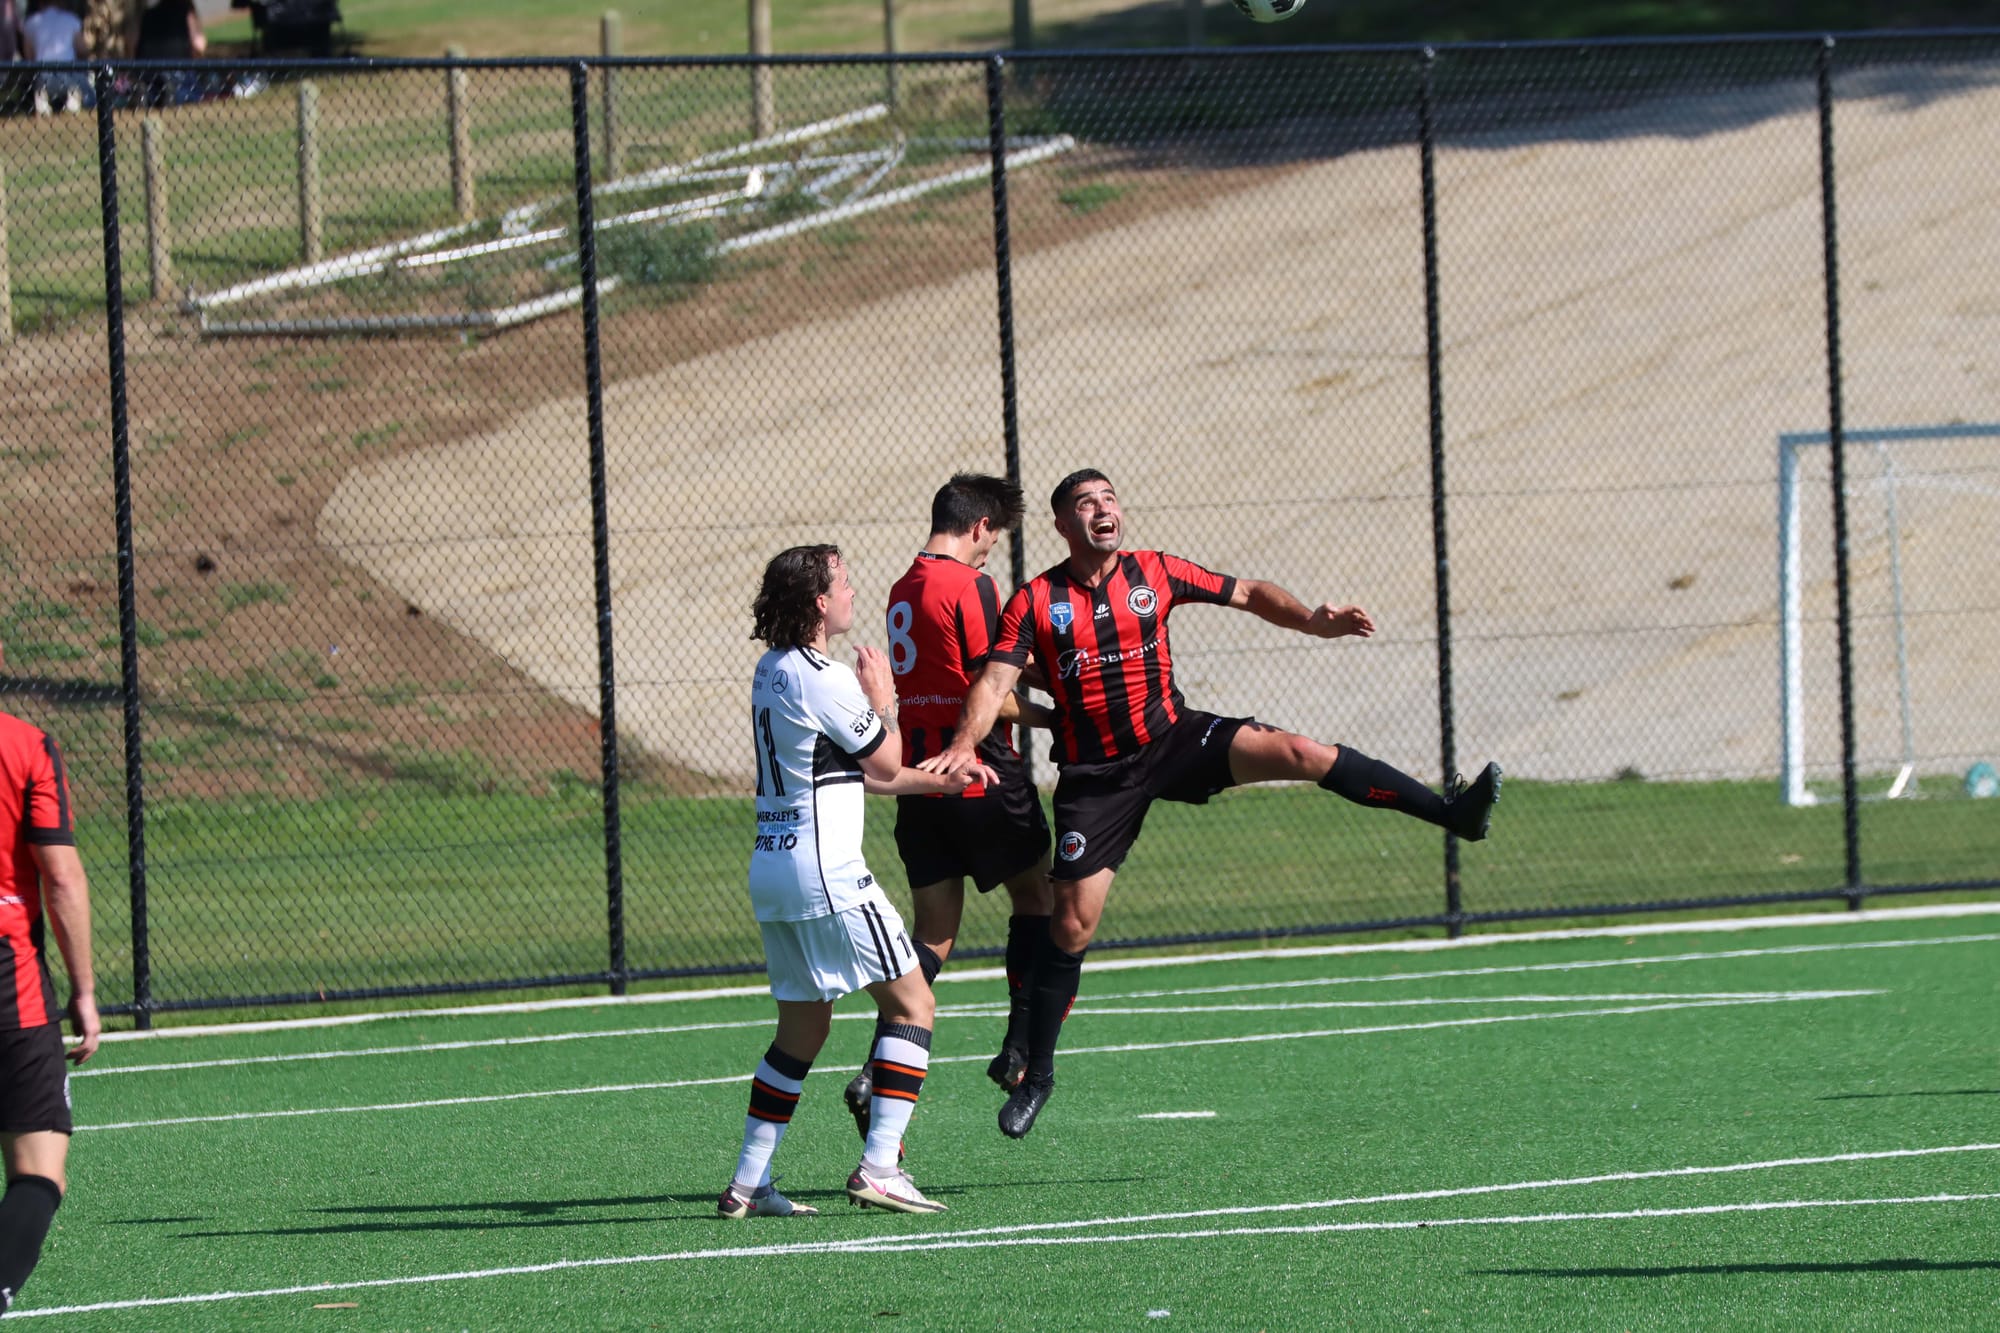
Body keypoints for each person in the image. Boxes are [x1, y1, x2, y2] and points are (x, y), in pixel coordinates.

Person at [923, 469, 1502, 1139]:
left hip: (1173, 738)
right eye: (1086, 503)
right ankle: (1039, 1073)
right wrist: (966, 743)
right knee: (1072, 924)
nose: (1103, 508)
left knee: (1298, 751)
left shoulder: (1157, 571)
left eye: (1109, 498)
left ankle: (1451, 812)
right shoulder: (1035, 600)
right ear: (1061, 525)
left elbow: (1250, 592)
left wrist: (1315, 621)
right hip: (1096, 777)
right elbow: (993, 679)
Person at [719, 544, 995, 1220]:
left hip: (775, 868)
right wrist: (885, 699)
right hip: (829, 873)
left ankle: (748, 1183)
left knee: (802, 1031)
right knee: (913, 1005)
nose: (851, 590)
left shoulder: (772, 668)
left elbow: (864, 772)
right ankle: (880, 1167)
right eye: (841, 581)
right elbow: (888, 755)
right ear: (818, 601)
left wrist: (940, 779)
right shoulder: (829, 679)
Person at [839, 475, 1058, 1147]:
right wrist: (1058, 716)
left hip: (918, 780)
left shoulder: (904, 585)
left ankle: (877, 1071)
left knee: (934, 931)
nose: (992, 551)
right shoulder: (970, 586)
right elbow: (986, 687)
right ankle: (1020, 1049)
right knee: (1040, 900)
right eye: (995, 537)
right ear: (981, 527)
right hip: (980, 770)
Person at [0, 636, 101, 1314]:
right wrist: (85, 991)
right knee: (39, 1165)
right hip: (9, 978)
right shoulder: (27, 745)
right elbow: (60, 876)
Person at [19, 0, 91, 116]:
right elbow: (82, 50)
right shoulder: (71, 20)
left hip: (43, 76)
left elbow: (29, 56)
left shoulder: (31, 23)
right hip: (69, 76)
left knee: (38, 77)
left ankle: (42, 106)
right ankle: (73, 103)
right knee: (84, 75)